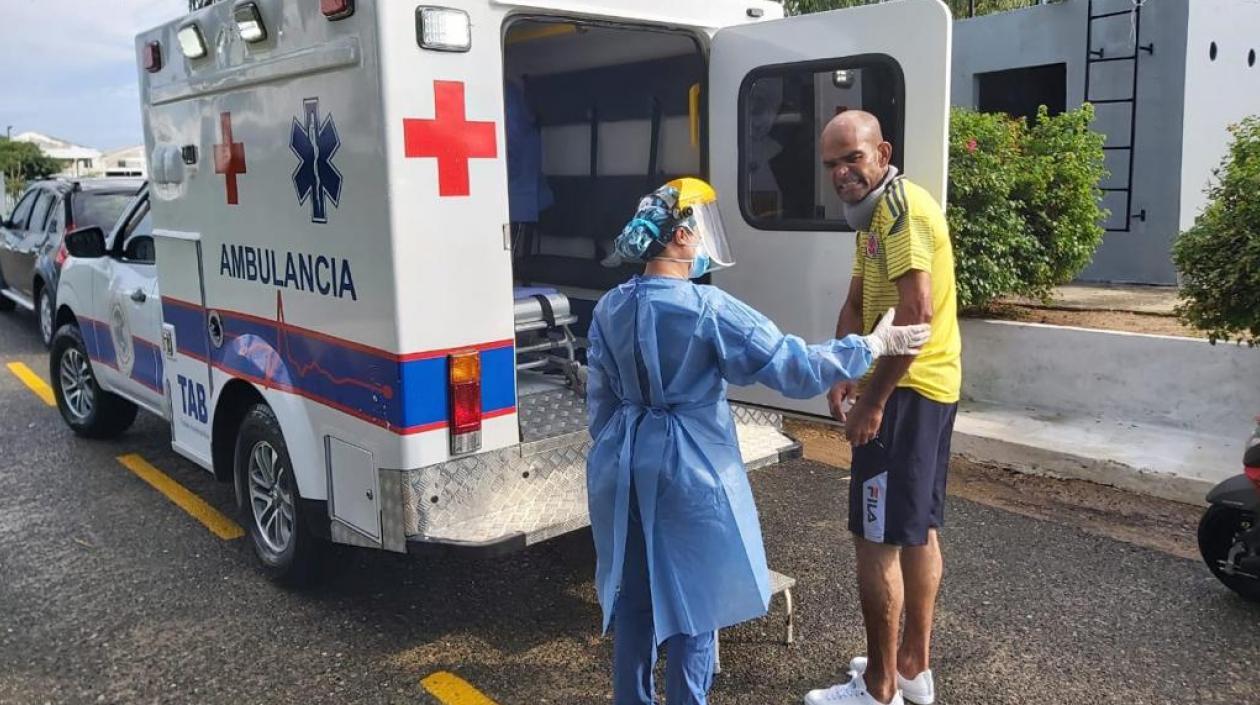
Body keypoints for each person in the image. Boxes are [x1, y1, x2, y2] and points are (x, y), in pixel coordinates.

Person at [585, 177, 932, 705]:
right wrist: (872, 344)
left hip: (621, 461)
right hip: (689, 469)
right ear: (680, 237)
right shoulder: (708, 310)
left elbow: (600, 402)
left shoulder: (611, 306)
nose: (701, 244)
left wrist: (623, 443)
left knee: (636, 597)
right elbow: (791, 365)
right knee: (694, 602)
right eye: (697, 233)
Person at [803, 111, 961, 705]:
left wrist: (873, 399)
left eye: (852, 159)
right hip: (924, 388)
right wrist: (844, 369)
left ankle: (879, 689)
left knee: (876, 541)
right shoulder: (872, 216)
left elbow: (916, 315)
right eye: (831, 164)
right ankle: (913, 669)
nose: (841, 172)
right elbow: (856, 300)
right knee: (916, 530)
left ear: (882, 151)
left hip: (907, 391)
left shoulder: (903, 211)